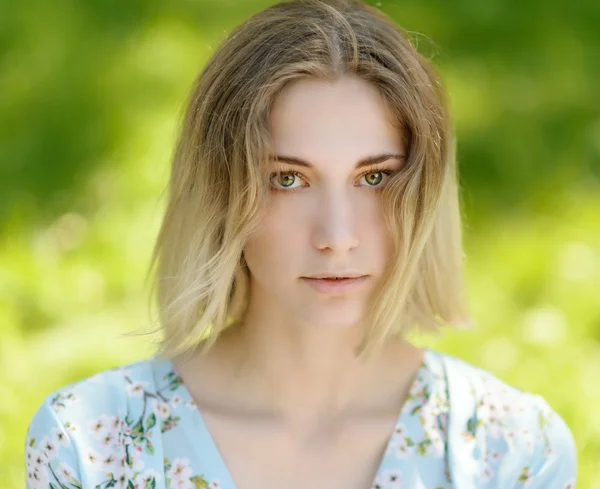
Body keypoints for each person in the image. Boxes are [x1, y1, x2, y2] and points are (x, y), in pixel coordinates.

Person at [24, 0, 577, 488]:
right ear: (220, 192)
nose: (337, 237)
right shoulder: (95, 447)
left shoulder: (510, 452)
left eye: (375, 177)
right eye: (288, 179)